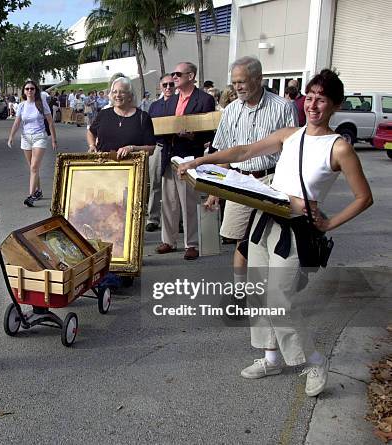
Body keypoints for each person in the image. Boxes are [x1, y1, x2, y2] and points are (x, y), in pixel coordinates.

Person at [178, 68, 373, 397]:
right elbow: (242, 152)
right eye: (309, 97)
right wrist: (201, 161)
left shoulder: (338, 148)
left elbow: (364, 197)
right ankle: (270, 357)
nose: (312, 105)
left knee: (279, 300)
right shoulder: (289, 134)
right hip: (264, 220)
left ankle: (311, 360)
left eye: (321, 99)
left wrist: (328, 223)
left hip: (295, 232)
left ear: (335, 105)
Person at [207, 56, 297, 312]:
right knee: (239, 240)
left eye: (243, 81)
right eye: (234, 82)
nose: (238, 87)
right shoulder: (231, 110)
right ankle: (239, 293)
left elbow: (292, 152)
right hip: (239, 181)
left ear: (259, 79)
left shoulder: (283, 107)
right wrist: (215, 191)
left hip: (273, 181)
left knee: (270, 239)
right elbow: (224, 151)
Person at [155, 62, 216, 261]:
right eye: (173, 73)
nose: (174, 77)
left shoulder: (204, 99)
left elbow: (209, 129)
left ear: (191, 76)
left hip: (189, 156)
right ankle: (168, 240)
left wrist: (193, 136)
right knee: (169, 201)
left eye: (178, 73)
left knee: (189, 202)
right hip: (169, 155)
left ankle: (191, 243)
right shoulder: (170, 100)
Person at [7, 80, 58, 207]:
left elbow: (50, 122)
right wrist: (11, 137)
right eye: (27, 89)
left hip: (39, 137)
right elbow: (17, 122)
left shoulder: (41, 104)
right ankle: (38, 191)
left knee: (34, 167)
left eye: (32, 89)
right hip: (26, 138)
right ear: (24, 91)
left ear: (36, 90)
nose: (30, 91)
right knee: (32, 167)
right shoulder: (22, 106)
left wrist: (53, 139)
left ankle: (31, 196)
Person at [86, 76, 156, 158]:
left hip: (131, 168)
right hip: (103, 166)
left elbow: (151, 148)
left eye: (122, 92)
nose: (117, 95)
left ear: (130, 96)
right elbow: (91, 132)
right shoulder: (103, 114)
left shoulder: (142, 117)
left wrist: (132, 148)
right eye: (114, 92)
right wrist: (92, 145)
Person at [145, 74, 176, 232]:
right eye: (165, 85)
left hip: (176, 147)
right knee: (155, 184)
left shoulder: (180, 103)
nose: (168, 87)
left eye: (171, 84)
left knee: (175, 187)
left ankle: (179, 220)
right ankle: (153, 218)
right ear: (160, 87)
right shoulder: (154, 106)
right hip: (158, 147)